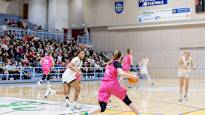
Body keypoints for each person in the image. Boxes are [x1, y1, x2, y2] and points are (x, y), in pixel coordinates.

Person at [85, 50, 140, 115]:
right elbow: (121, 73)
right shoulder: (116, 63)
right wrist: (132, 76)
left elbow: (112, 75)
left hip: (103, 85)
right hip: (112, 85)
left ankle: (88, 113)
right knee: (127, 101)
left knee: (102, 107)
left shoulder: (108, 64)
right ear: (120, 57)